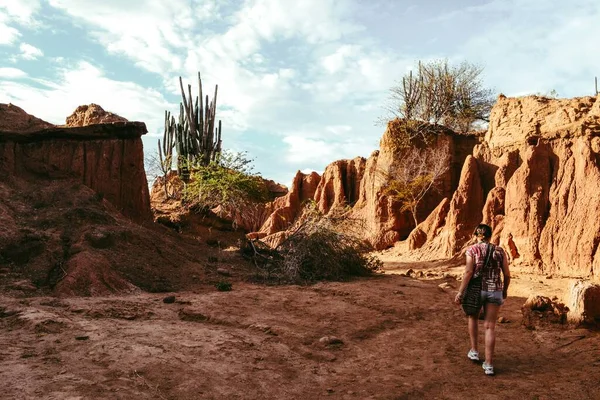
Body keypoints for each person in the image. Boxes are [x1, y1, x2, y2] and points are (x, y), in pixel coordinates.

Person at [453, 224, 511, 376]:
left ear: (476, 235)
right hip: (495, 290)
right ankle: (489, 365)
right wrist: (504, 290)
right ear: (490, 236)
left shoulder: (472, 250)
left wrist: (460, 292)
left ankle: (474, 351)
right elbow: (507, 274)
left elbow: (468, 272)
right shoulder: (499, 250)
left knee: (472, 316)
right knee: (490, 326)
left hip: (476, 290)